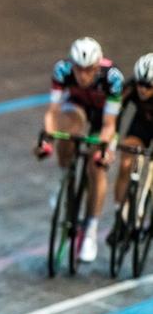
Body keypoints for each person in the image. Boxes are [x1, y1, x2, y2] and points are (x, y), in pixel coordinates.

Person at [35, 37, 124, 263]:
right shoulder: (62, 71)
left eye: (89, 71)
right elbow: (52, 112)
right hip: (78, 108)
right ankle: (65, 175)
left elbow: (109, 125)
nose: (83, 76)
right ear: (72, 65)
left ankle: (90, 231)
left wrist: (103, 148)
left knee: (97, 167)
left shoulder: (112, 78)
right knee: (67, 129)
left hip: (103, 118)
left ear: (97, 66)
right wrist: (48, 140)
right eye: (79, 70)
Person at [112, 53, 153, 214]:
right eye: (140, 84)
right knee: (125, 163)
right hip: (141, 127)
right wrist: (114, 137)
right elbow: (115, 112)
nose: (142, 89)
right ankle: (120, 214)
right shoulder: (130, 86)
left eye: (148, 86)